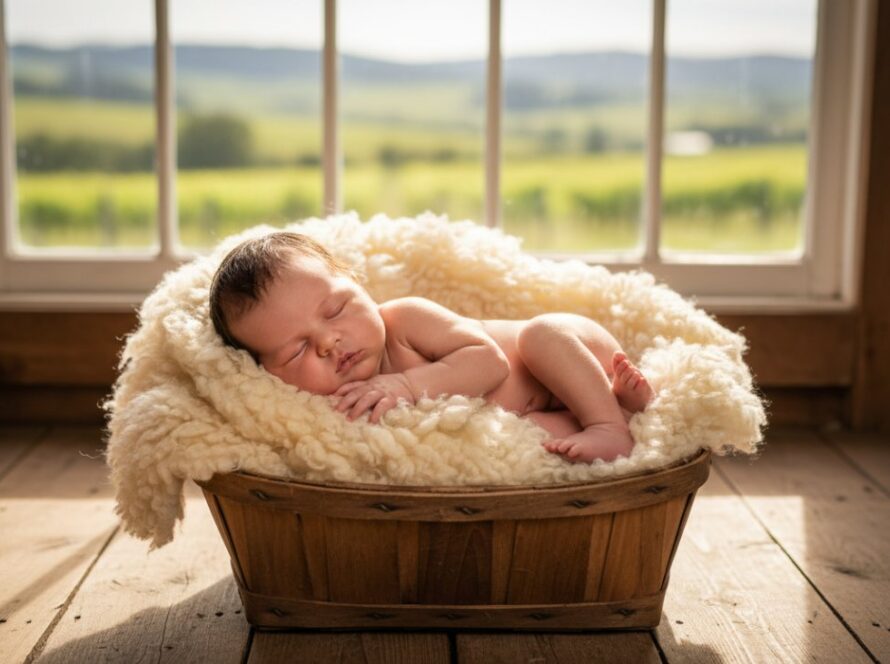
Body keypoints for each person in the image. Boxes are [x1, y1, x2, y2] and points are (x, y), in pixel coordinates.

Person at [209, 232, 653, 463]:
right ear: (267, 374)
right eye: (295, 352)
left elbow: (490, 364)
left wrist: (404, 382)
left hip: (569, 354)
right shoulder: (330, 406)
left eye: (336, 309)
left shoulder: (403, 320)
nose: (328, 342)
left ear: (359, 285)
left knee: (541, 334)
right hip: (543, 408)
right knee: (535, 437)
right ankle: (621, 408)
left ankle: (607, 424)